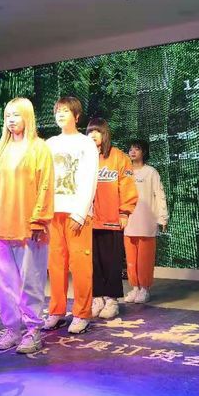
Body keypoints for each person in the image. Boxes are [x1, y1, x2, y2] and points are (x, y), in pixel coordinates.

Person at [0, 97, 54, 355]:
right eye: (7, 115)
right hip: (3, 227)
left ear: (28, 117)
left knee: (31, 281)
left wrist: (39, 220)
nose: (11, 120)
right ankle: (12, 329)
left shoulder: (39, 148)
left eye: (16, 114)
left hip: (29, 229)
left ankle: (33, 330)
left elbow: (46, 186)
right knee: (5, 283)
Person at [43, 96, 98, 334]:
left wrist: (80, 212)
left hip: (77, 213)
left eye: (66, 111)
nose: (61, 114)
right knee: (55, 265)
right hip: (53, 212)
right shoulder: (49, 144)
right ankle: (56, 311)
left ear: (76, 116)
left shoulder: (86, 143)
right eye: (58, 111)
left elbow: (90, 178)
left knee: (80, 265)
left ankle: (82, 313)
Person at [86, 119, 138, 319]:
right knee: (93, 263)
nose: (93, 135)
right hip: (88, 220)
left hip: (111, 219)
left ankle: (112, 299)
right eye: (90, 131)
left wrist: (124, 212)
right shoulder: (84, 157)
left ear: (105, 134)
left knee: (112, 261)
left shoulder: (119, 157)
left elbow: (127, 187)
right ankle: (97, 298)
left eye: (97, 131)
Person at [124, 139, 168, 304]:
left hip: (146, 221)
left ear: (144, 152)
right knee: (131, 258)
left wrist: (163, 217)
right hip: (129, 221)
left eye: (137, 149)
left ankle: (144, 288)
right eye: (131, 149)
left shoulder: (151, 172)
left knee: (145, 258)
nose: (133, 152)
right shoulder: (126, 172)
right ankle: (135, 287)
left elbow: (159, 194)